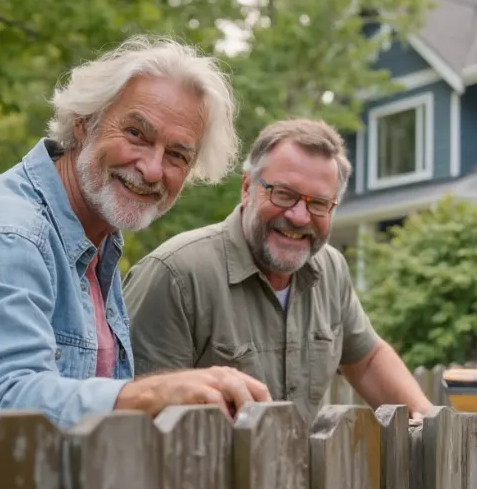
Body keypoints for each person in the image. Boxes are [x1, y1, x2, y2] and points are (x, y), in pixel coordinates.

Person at [0, 35, 272, 431]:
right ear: (84, 123)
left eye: (177, 155)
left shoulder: (95, 239)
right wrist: (148, 394)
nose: (151, 168)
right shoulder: (5, 234)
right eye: (135, 134)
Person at [122, 118, 434, 425]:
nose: (299, 217)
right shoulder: (176, 275)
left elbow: (366, 360)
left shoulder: (331, 270)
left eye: (319, 203)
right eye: (284, 194)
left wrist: (425, 414)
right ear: (247, 188)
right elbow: (134, 417)